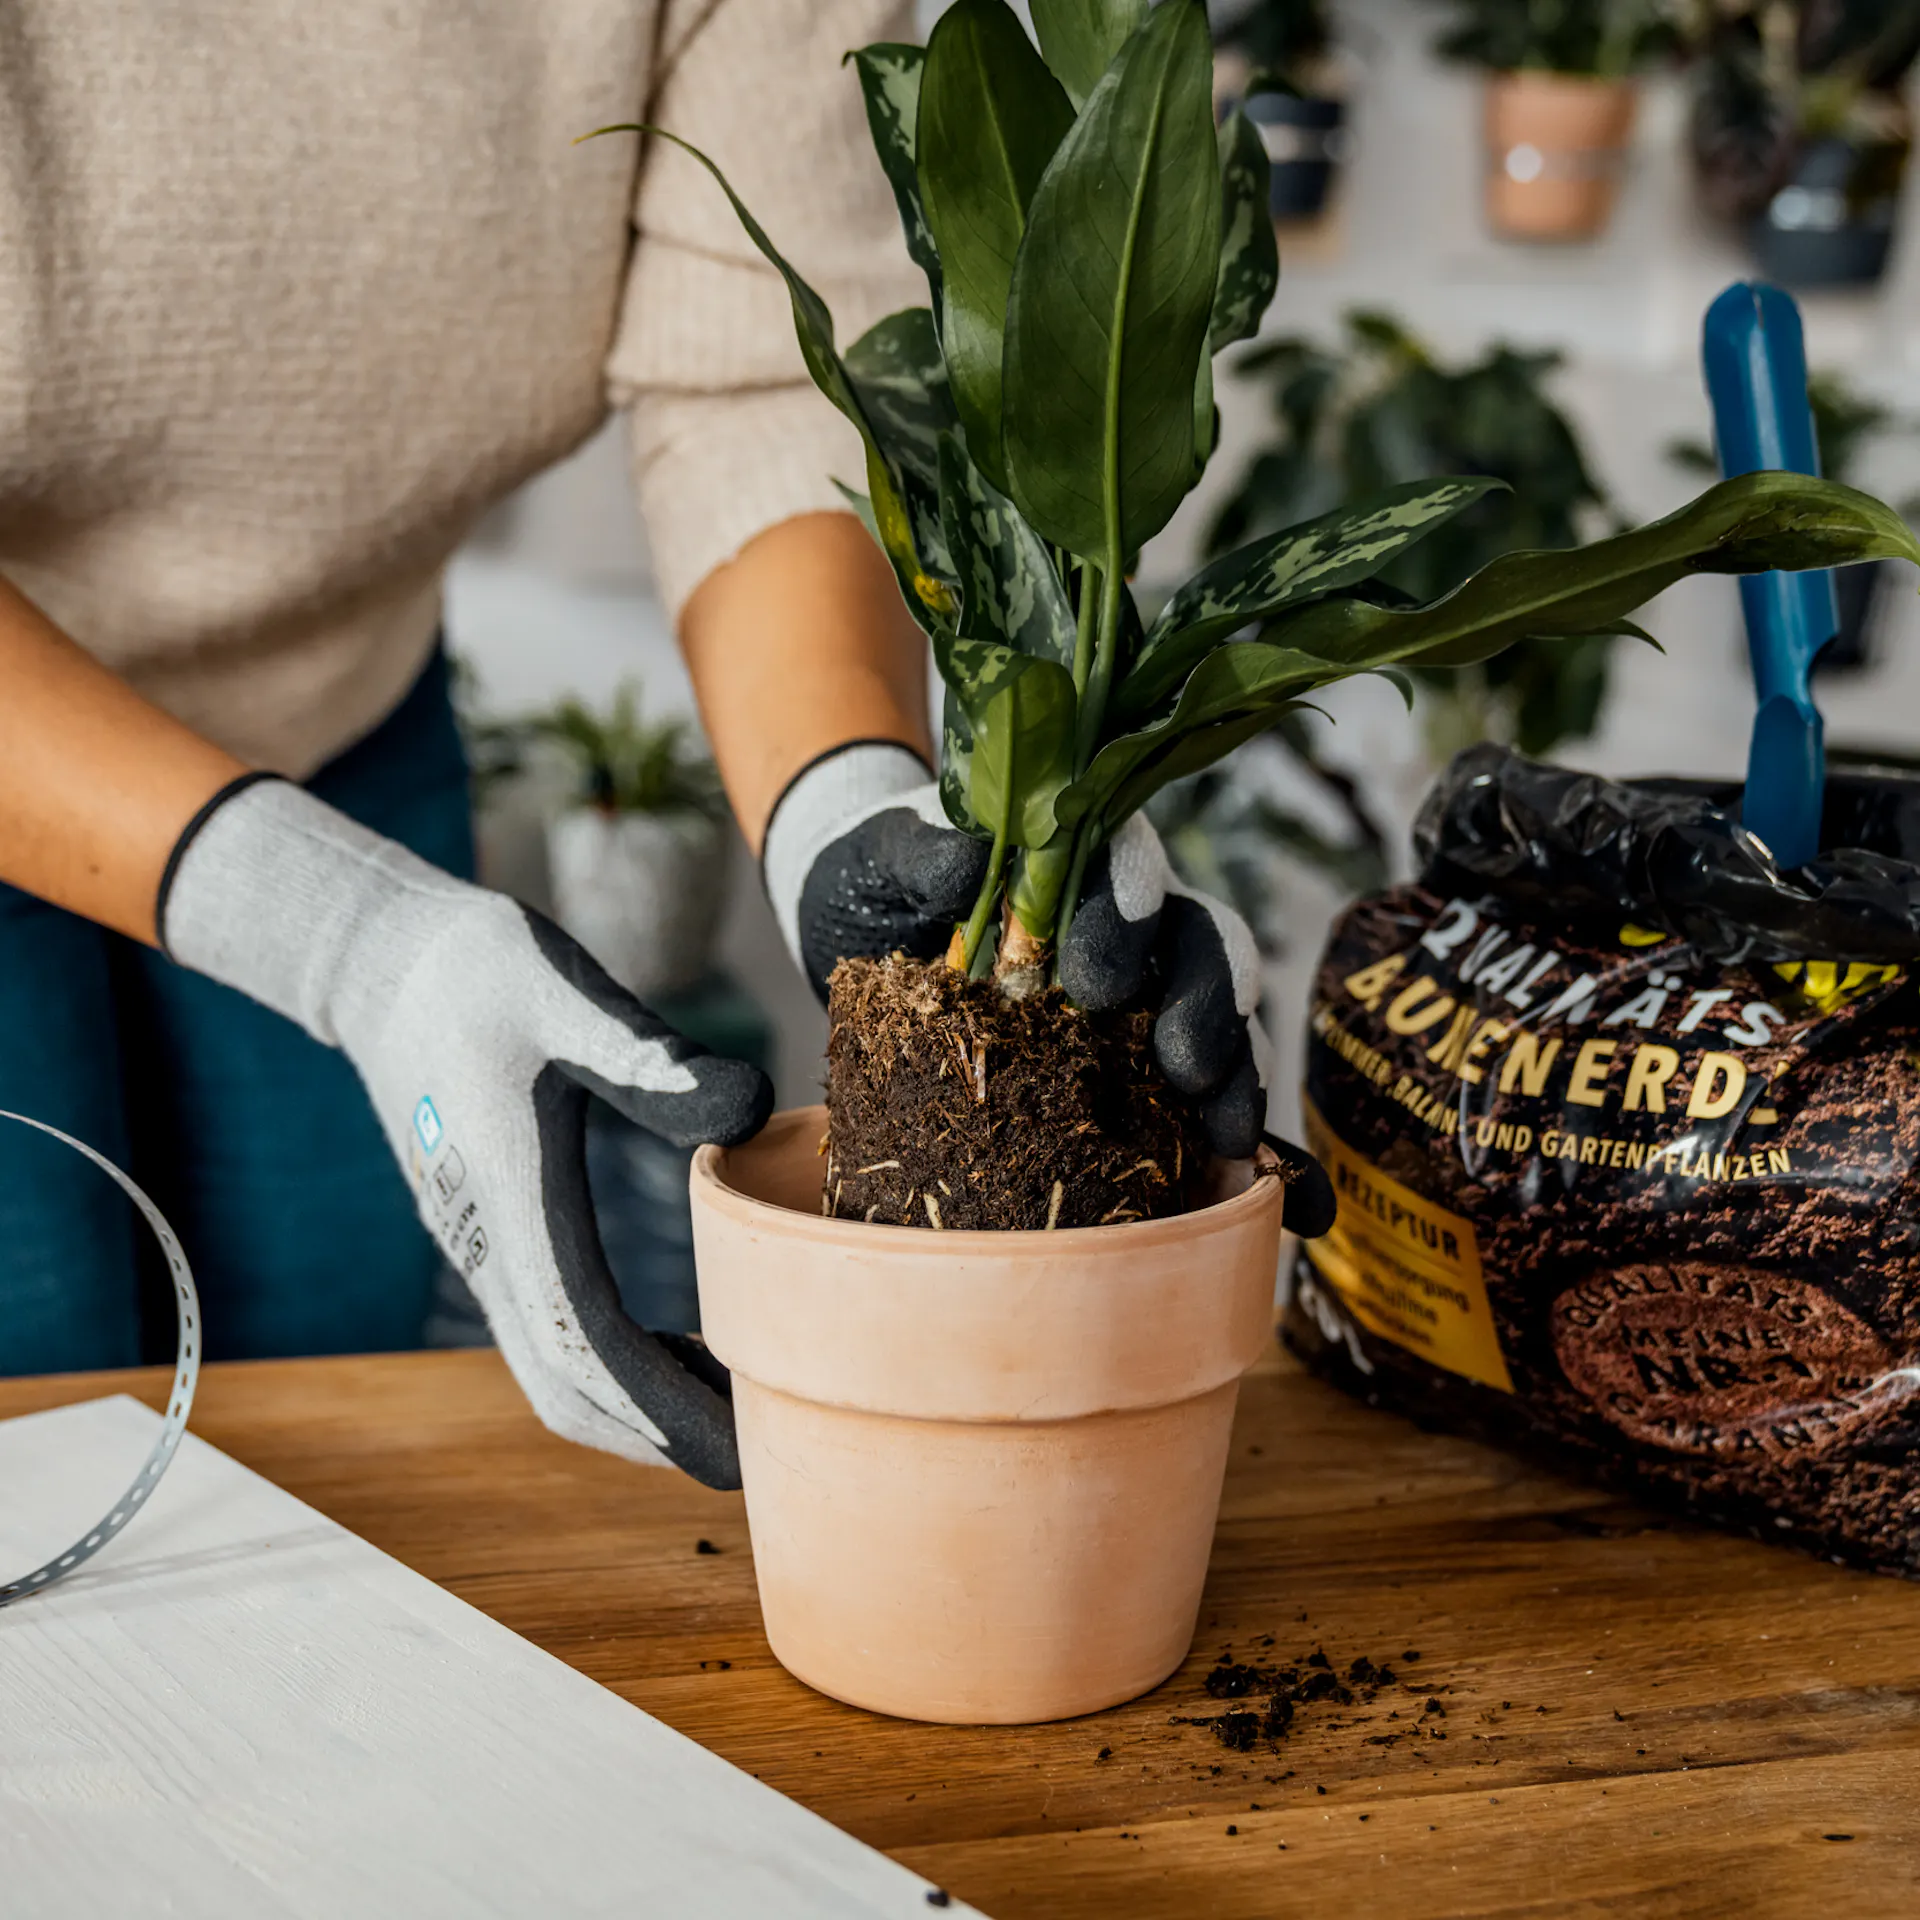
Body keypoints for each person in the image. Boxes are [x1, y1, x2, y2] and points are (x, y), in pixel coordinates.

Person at [0, 1, 1265, 1487]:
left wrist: (847, 802)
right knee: (43, 1362)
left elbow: (747, 372)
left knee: (324, 1372)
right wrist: (336, 930)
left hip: (338, 700)